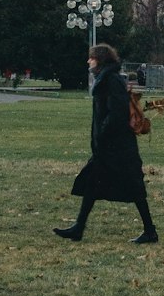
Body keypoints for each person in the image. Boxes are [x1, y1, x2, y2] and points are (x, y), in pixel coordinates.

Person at [53, 44, 158, 244]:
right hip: (109, 146)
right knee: (93, 183)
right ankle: (78, 228)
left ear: (99, 60)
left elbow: (117, 113)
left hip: (117, 146)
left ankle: (150, 230)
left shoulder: (111, 80)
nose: (88, 61)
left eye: (91, 58)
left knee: (134, 187)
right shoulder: (107, 79)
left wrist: (102, 131)